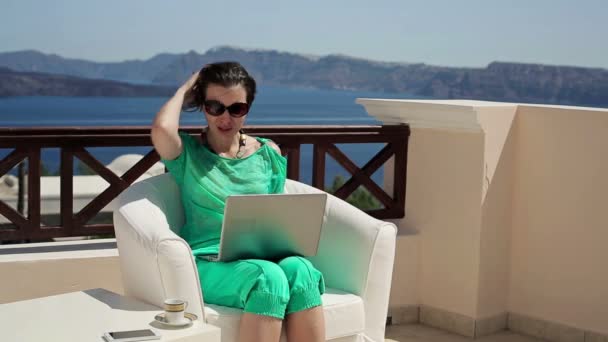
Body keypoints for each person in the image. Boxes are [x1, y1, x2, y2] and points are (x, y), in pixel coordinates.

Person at [150, 62, 326, 342]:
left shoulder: (268, 153)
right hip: (208, 262)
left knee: (301, 269)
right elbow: (161, 128)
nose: (225, 118)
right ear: (202, 107)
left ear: (248, 109)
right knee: (268, 277)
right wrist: (185, 90)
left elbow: (276, 214)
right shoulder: (188, 155)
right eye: (214, 107)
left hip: (262, 257)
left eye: (236, 109)